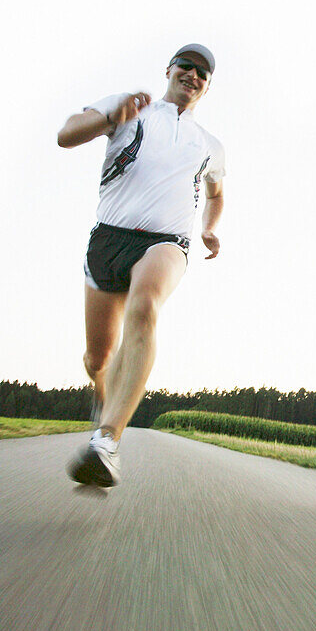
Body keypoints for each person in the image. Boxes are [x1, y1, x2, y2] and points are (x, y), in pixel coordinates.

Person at [57, 43, 225, 487]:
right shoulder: (131, 107)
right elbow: (66, 134)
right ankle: (103, 391)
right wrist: (112, 117)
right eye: (186, 66)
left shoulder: (208, 144)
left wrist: (209, 227)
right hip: (108, 239)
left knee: (146, 306)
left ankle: (107, 442)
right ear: (169, 69)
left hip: (166, 242)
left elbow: (217, 193)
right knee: (98, 357)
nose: (192, 75)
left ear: (207, 87)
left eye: (202, 73)